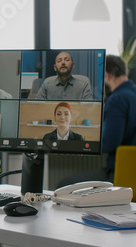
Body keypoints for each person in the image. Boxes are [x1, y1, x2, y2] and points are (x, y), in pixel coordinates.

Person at [56, 55, 136, 188]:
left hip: (119, 175)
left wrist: (82, 141)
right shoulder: (132, 94)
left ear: (106, 75)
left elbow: (109, 143)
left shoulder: (117, 99)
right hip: (132, 173)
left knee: (63, 185)